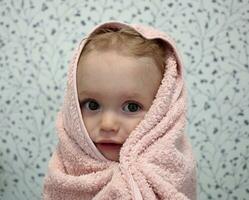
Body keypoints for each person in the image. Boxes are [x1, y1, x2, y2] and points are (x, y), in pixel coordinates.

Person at [43, 21, 197, 200]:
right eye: (92, 105)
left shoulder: (171, 169)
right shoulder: (64, 170)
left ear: (162, 113)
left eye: (131, 107)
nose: (108, 124)